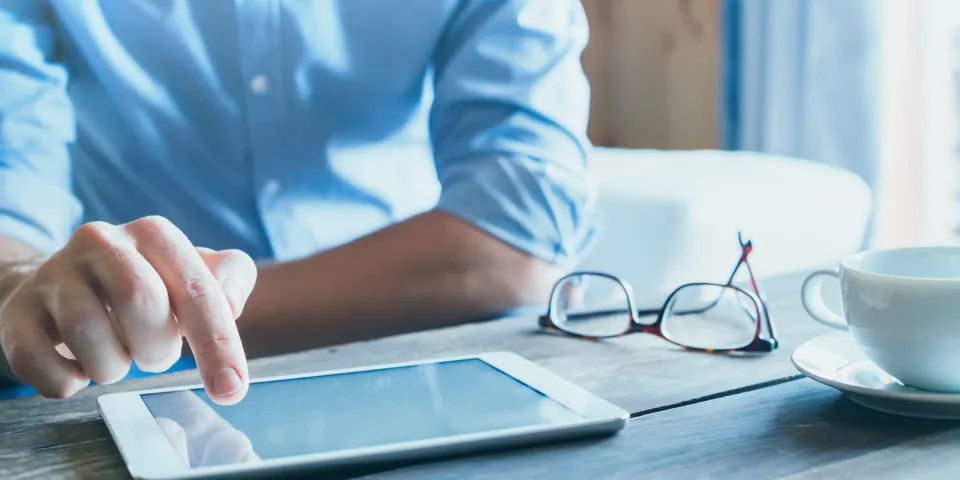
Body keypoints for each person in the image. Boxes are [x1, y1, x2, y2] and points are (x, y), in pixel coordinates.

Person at [0, 0, 598, 404]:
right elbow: (13, 194)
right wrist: (29, 289)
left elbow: (517, 237)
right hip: (123, 384)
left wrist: (175, 313)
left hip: (418, 359)